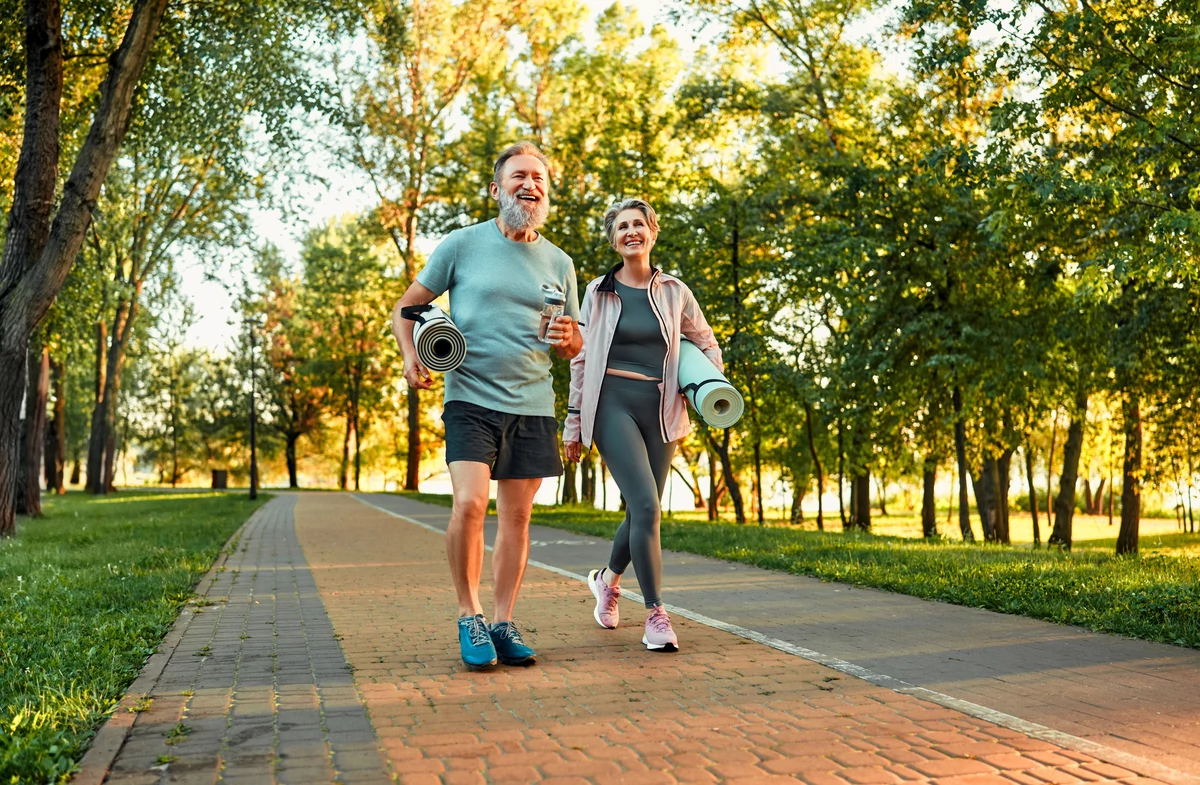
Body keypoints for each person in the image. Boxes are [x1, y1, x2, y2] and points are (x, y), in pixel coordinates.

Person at [392, 141, 581, 671]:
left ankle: (502, 620)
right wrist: (412, 358)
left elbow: (573, 342)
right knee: (471, 504)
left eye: (538, 177)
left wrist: (570, 339)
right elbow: (406, 308)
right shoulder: (462, 244)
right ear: (496, 189)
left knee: (517, 517)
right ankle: (468, 614)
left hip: (533, 404)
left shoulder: (559, 261)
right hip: (470, 399)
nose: (530, 184)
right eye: (518, 175)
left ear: (546, 191)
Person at [563, 198, 722, 652]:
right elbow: (580, 358)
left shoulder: (675, 290)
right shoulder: (597, 292)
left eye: (638, 224)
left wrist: (708, 385)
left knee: (640, 510)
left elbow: (706, 342)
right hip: (611, 402)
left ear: (652, 232)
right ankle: (655, 612)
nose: (631, 232)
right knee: (649, 508)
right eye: (621, 227)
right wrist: (574, 422)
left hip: (661, 407)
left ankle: (607, 580)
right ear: (613, 239)